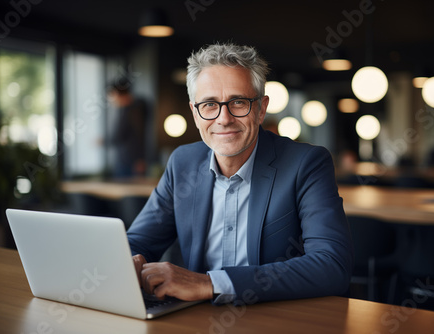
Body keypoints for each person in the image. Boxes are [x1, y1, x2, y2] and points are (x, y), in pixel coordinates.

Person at [127, 43, 353, 305]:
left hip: (274, 318)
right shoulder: (182, 163)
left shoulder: (307, 164)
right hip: (195, 318)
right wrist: (129, 261)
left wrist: (209, 284)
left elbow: (332, 265)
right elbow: (137, 242)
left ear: (260, 109)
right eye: (210, 104)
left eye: (238, 102)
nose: (223, 118)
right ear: (195, 113)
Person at [107, 78, 147, 178]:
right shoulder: (125, 110)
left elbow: (141, 135)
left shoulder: (136, 110)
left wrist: (141, 159)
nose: (111, 99)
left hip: (133, 163)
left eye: (112, 95)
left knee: (132, 192)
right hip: (124, 160)